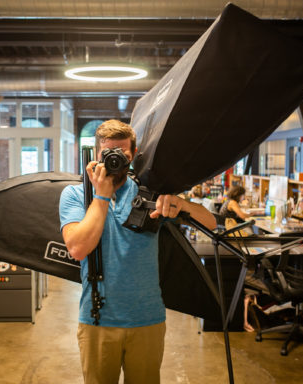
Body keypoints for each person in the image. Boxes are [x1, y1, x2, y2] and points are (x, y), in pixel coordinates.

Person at [59, 119, 217, 384]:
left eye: (121, 154)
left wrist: (178, 203)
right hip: (97, 320)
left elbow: (210, 223)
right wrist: (101, 196)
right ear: (96, 155)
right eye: (107, 153)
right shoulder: (76, 195)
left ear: (133, 157)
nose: (114, 160)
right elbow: (77, 248)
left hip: (147, 319)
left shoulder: (151, 194)